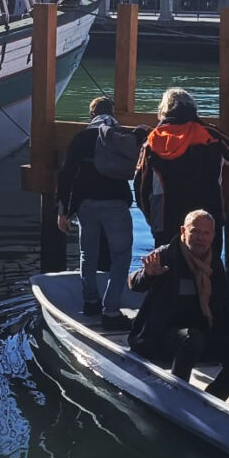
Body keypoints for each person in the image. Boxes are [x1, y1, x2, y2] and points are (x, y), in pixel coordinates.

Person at [128, 210, 229, 401]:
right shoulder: (166, 255)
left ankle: (214, 397)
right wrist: (148, 275)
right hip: (162, 337)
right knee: (191, 338)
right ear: (183, 231)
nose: (201, 238)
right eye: (195, 232)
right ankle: (176, 396)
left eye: (206, 233)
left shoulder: (213, 265)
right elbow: (134, 283)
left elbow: (226, 306)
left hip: (202, 337)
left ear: (213, 236)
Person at [57, 96, 135, 329]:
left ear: (91, 115)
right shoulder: (120, 135)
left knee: (87, 254)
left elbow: (66, 175)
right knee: (120, 257)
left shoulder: (82, 137)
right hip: (116, 204)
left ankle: (91, 301)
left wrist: (64, 211)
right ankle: (111, 311)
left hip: (86, 205)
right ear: (113, 113)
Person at [135, 88, 229, 249]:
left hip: (166, 217)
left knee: (167, 266)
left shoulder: (153, 139)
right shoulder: (210, 134)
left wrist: (150, 217)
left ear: (164, 109)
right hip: (207, 211)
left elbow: (141, 184)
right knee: (208, 266)